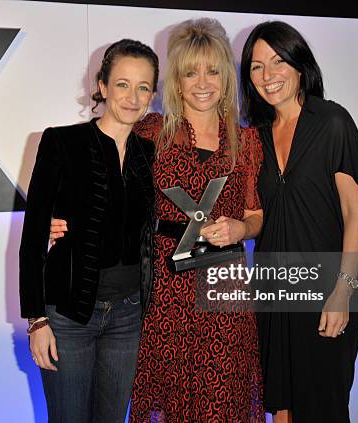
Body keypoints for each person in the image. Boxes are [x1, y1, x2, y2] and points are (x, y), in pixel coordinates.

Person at [50, 18, 265, 423]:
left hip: (224, 291)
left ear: (225, 78)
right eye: (190, 71)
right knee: (166, 401)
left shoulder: (248, 141)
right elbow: (86, 160)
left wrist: (241, 228)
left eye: (213, 70)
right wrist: (54, 213)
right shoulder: (150, 131)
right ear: (176, 82)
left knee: (222, 400)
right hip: (161, 287)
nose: (202, 82)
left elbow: (256, 215)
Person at [18, 39, 159, 423]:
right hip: (68, 316)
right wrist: (37, 321)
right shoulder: (61, 142)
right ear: (102, 86)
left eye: (143, 87)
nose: (132, 97)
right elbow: (32, 238)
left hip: (129, 316)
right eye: (123, 84)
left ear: (153, 94)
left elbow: (157, 229)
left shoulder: (150, 154)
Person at [240, 21, 358, 423]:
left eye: (278, 61)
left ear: (300, 65)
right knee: (280, 405)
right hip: (272, 290)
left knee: (323, 406)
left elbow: (356, 212)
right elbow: (257, 216)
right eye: (256, 67)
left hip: (326, 288)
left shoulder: (332, 121)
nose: (268, 75)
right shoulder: (256, 137)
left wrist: (343, 290)